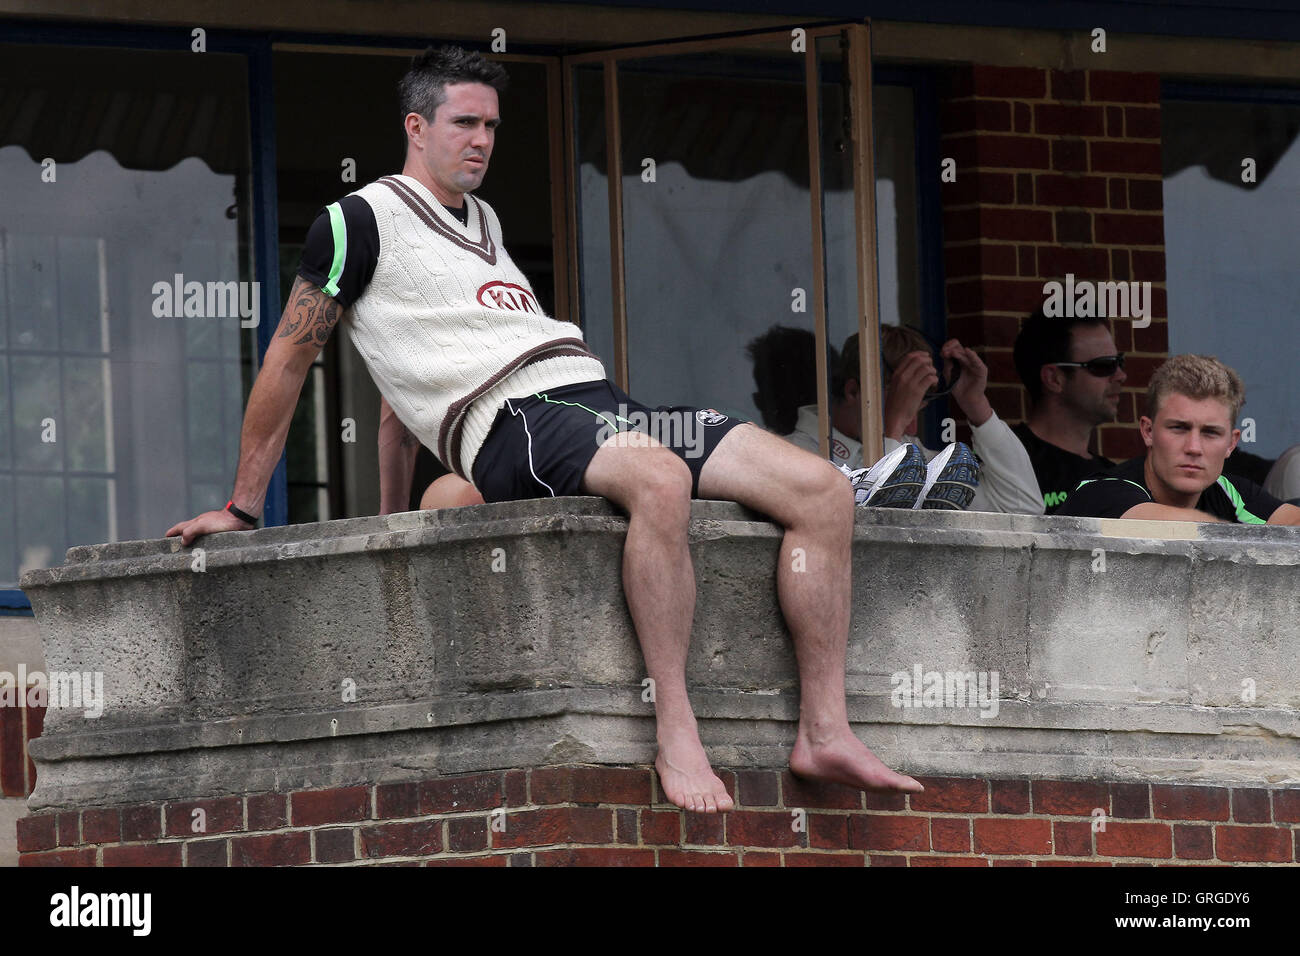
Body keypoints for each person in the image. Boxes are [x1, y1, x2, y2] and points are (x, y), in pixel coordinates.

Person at [165, 45, 923, 813]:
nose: (483, 140)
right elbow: (289, 361)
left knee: (822, 490)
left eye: (492, 125)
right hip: (511, 425)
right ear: (416, 126)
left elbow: (398, 399)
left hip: (599, 403)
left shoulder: (486, 221)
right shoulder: (356, 220)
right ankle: (677, 730)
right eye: (465, 122)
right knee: (657, 478)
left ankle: (824, 731)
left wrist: (396, 506)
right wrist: (242, 507)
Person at [788, 327, 1043, 514]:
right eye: (902, 396)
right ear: (853, 391)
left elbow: (1024, 508)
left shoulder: (914, 453)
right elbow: (868, 518)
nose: (913, 414)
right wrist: (893, 426)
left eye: (922, 400)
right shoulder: (796, 452)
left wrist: (976, 404)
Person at [1060, 354, 1300, 525]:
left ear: (1231, 443)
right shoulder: (1101, 491)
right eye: (1178, 428)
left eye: (1210, 433)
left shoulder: (1231, 492)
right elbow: (1181, 529)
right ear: (1148, 431)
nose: (1194, 448)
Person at [1012, 308, 1124, 514]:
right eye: (1104, 365)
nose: (1120, 375)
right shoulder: (1007, 461)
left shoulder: (1113, 475)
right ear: (1054, 379)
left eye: (1119, 362)